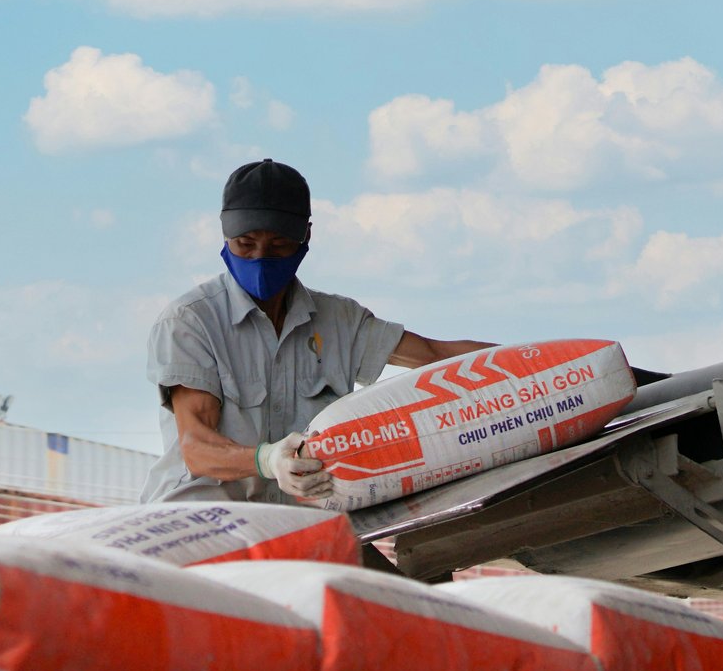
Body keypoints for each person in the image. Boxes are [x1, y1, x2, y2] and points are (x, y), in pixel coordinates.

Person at [141, 159, 489, 504]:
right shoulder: (189, 323)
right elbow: (197, 448)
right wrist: (267, 460)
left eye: (278, 245)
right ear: (225, 233)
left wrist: (539, 365)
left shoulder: (340, 321)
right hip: (198, 521)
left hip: (298, 520)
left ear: (305, 235)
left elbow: (435, 355)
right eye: (246, 244)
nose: (260, 257)